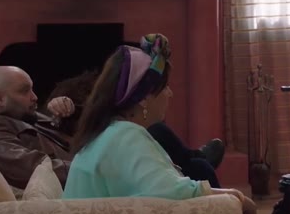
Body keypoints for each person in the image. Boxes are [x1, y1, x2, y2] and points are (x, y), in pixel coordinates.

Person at [63, 33, 257, 214]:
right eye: (165, 87)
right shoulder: (125, 135)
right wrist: (235, 197)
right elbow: (172, 192)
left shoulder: (104, 133)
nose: (170, 94)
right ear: (144, 98)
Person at [46, 70, 226, 188]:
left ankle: (195, 158)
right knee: (196, 164)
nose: (34, 97)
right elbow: (170, 189)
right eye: (165, 88)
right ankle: (196, 157)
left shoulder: (119, 132)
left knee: (198, 167)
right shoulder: (120, 134)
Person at [0, 66, 74, 188]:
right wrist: (84, 169)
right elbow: (36, 169)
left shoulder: (23, 117)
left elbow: (73, 136)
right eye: (24, 91)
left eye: (32, 89)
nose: (34, 97)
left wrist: (70, 113)